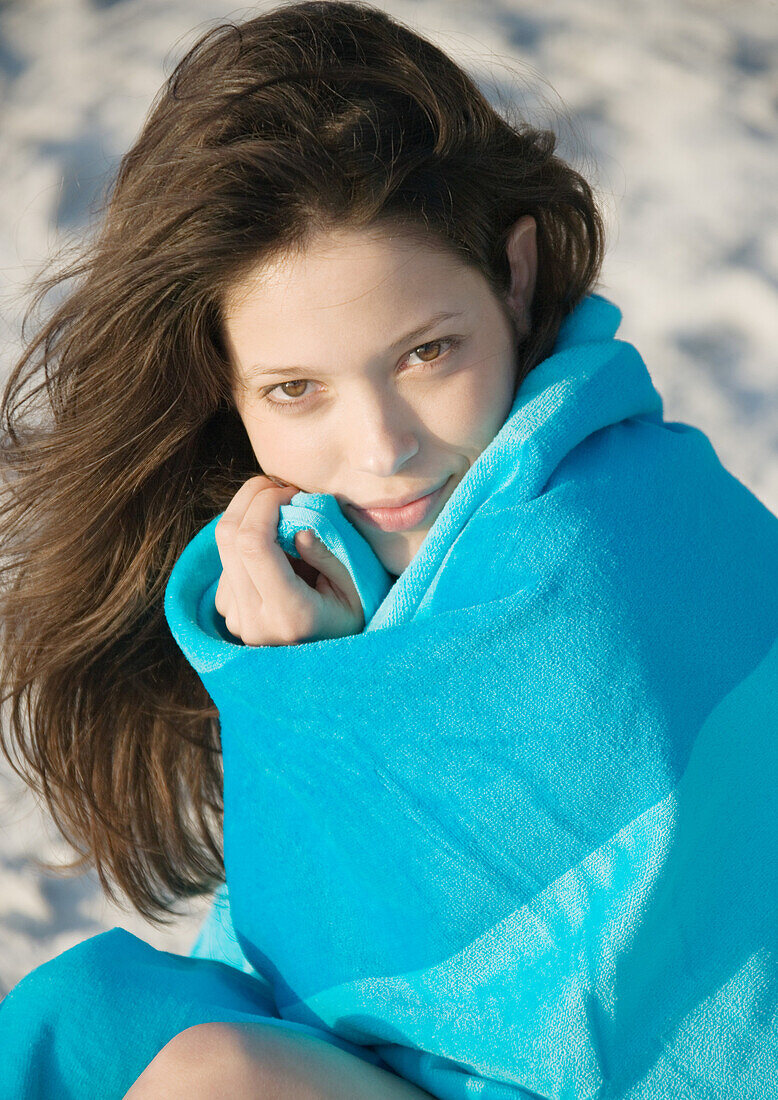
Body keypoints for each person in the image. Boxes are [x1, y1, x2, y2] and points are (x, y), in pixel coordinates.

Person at [8, 1, 760, 1097]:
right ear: (222, 380)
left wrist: (312, 695)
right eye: (294, 388)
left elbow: (506, 991)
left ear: (512, 272)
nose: (383, 450)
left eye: (424, 352)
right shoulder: (317, 568)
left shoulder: (612, 541)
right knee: (90, 1024)